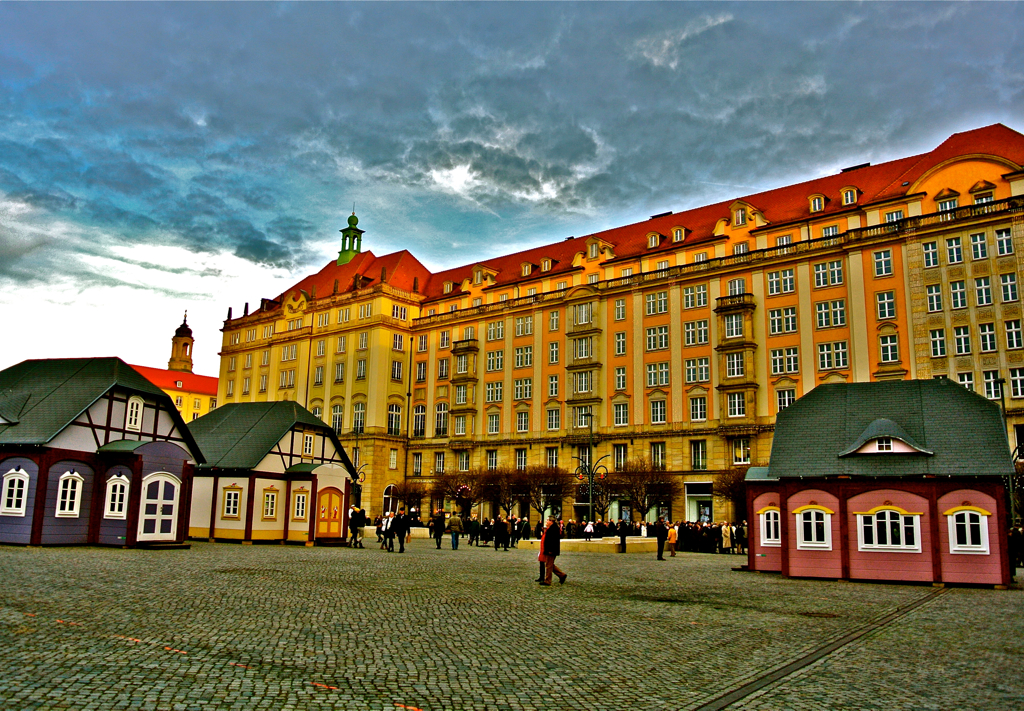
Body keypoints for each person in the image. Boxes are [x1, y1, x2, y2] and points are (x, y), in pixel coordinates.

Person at [539, 514, 567, 586]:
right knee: (550, 564)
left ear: (551, 521)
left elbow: (553, 541)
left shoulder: (553, 529)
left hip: (551, 550)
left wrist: (550, 550)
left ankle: (548, 580)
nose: (546, 521)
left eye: (547, 520)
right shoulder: (551, 528)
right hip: (549, 549)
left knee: (549, 565)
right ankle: (562, 575)